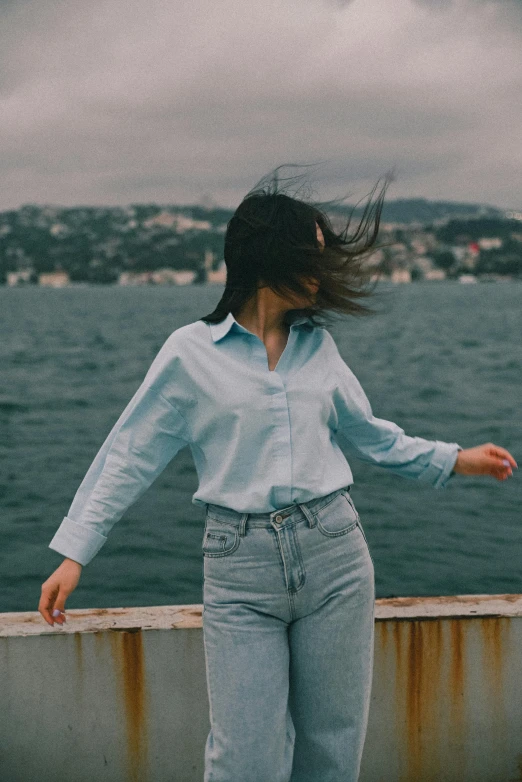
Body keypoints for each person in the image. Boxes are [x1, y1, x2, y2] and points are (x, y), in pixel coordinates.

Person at [40, 165, 517, 782]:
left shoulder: (319, 347)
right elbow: (129, 454)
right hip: (239, 569)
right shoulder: (190, 353)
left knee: (330, 752)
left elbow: (371, 436)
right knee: (245, 760)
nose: (324, 275)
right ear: (268, 258)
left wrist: (456, 460)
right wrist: (75, 552)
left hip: (336, 556)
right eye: (312, 257)